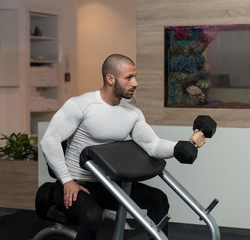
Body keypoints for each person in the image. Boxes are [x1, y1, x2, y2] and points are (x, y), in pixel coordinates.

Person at [40, 54, 206, 240]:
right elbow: (49, 140)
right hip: (75, 184)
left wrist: (180, 147)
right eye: (129, 78)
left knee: (158, 200)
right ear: (110, 79)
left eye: (135, 77)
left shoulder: (132, 112)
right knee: (92, 217)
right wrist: (66, 180)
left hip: (107, 185)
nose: (135, 83)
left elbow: (152, 144)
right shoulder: (80, 105)